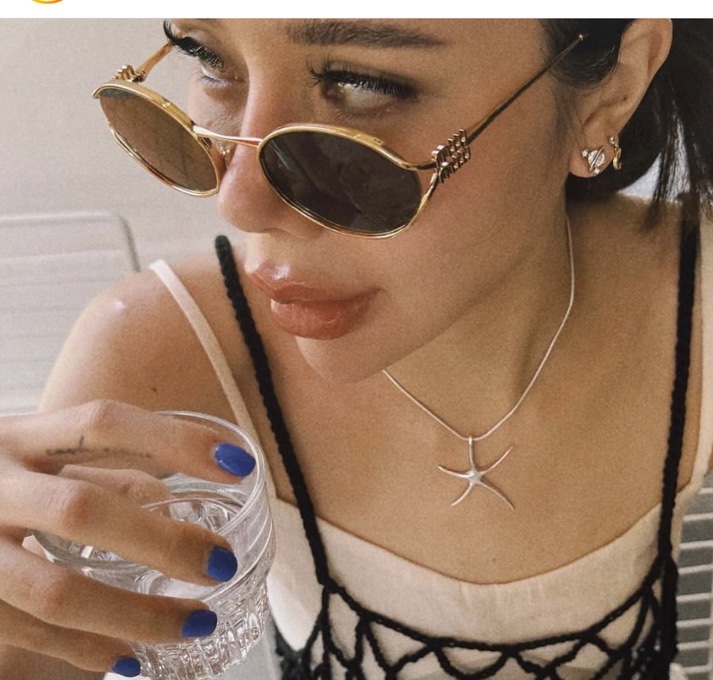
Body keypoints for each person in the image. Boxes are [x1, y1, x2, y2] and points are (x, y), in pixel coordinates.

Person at [0, 17, 711, 680]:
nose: (239, 201)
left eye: (363, 85)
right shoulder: (158, 357)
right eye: (206, 57)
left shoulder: (694, 299)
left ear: (613, 88)